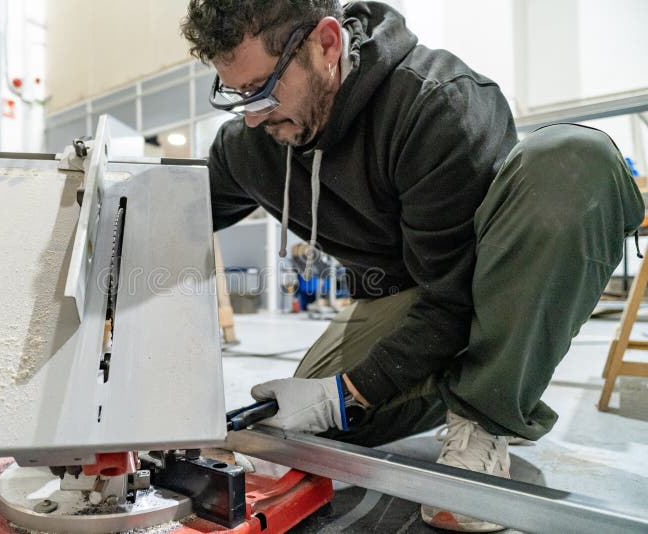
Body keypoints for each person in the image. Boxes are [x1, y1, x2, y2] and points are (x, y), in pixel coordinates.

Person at [181, 1, 644, 531]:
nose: (253, 115)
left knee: (573, 159)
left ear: (326, 45)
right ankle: (456, 384)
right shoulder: (252, 143)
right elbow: (172, 213)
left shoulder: (436, 104)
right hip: (406, 305)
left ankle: (486, 412)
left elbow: (453, 297)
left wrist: (347, 393)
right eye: (238, 95)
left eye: (262, 88)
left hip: (482, 294)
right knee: (305, 429)